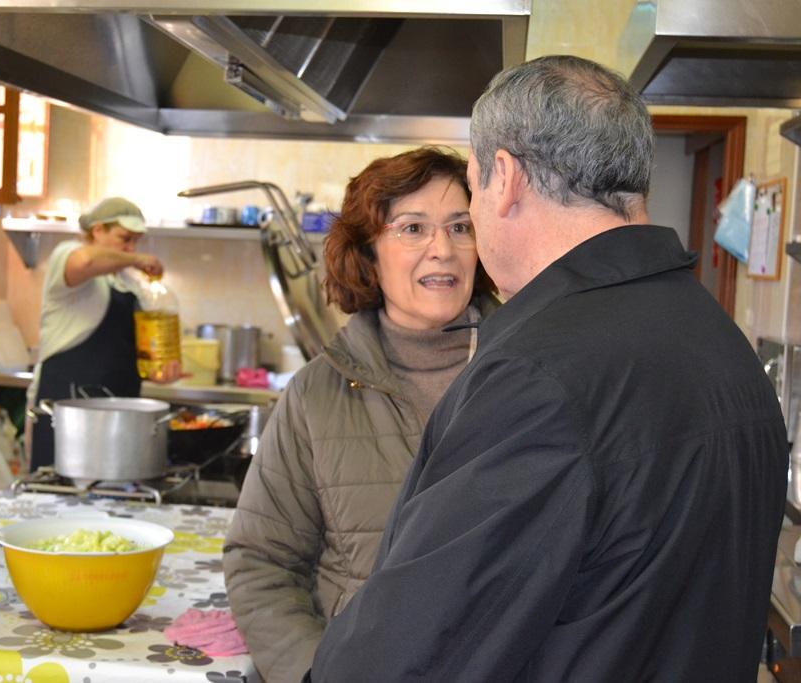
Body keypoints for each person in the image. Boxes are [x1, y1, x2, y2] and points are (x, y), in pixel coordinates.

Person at [308, 55, 788, 682]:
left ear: (504, 178)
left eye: (473, 189)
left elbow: (412, 657)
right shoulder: (724, 344)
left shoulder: (538, 378)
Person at [223, 146, 497, 683]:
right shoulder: (316, 395)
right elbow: (261, 561)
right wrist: (315, 673)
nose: (443, 249)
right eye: (413, 228)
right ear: (369, 253)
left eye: (461, 227)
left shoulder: (530, 375)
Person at [27, 196, 179, 472]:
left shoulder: (127, 283)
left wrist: (155, 371)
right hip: (67, 411)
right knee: (59, 486)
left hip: (120, 412)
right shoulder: (67, 254)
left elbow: (128, 349)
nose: (131, 247)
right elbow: (86, 261)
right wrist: (137, 259)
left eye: (136, 242)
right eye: (125, 238)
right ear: (97, 230)